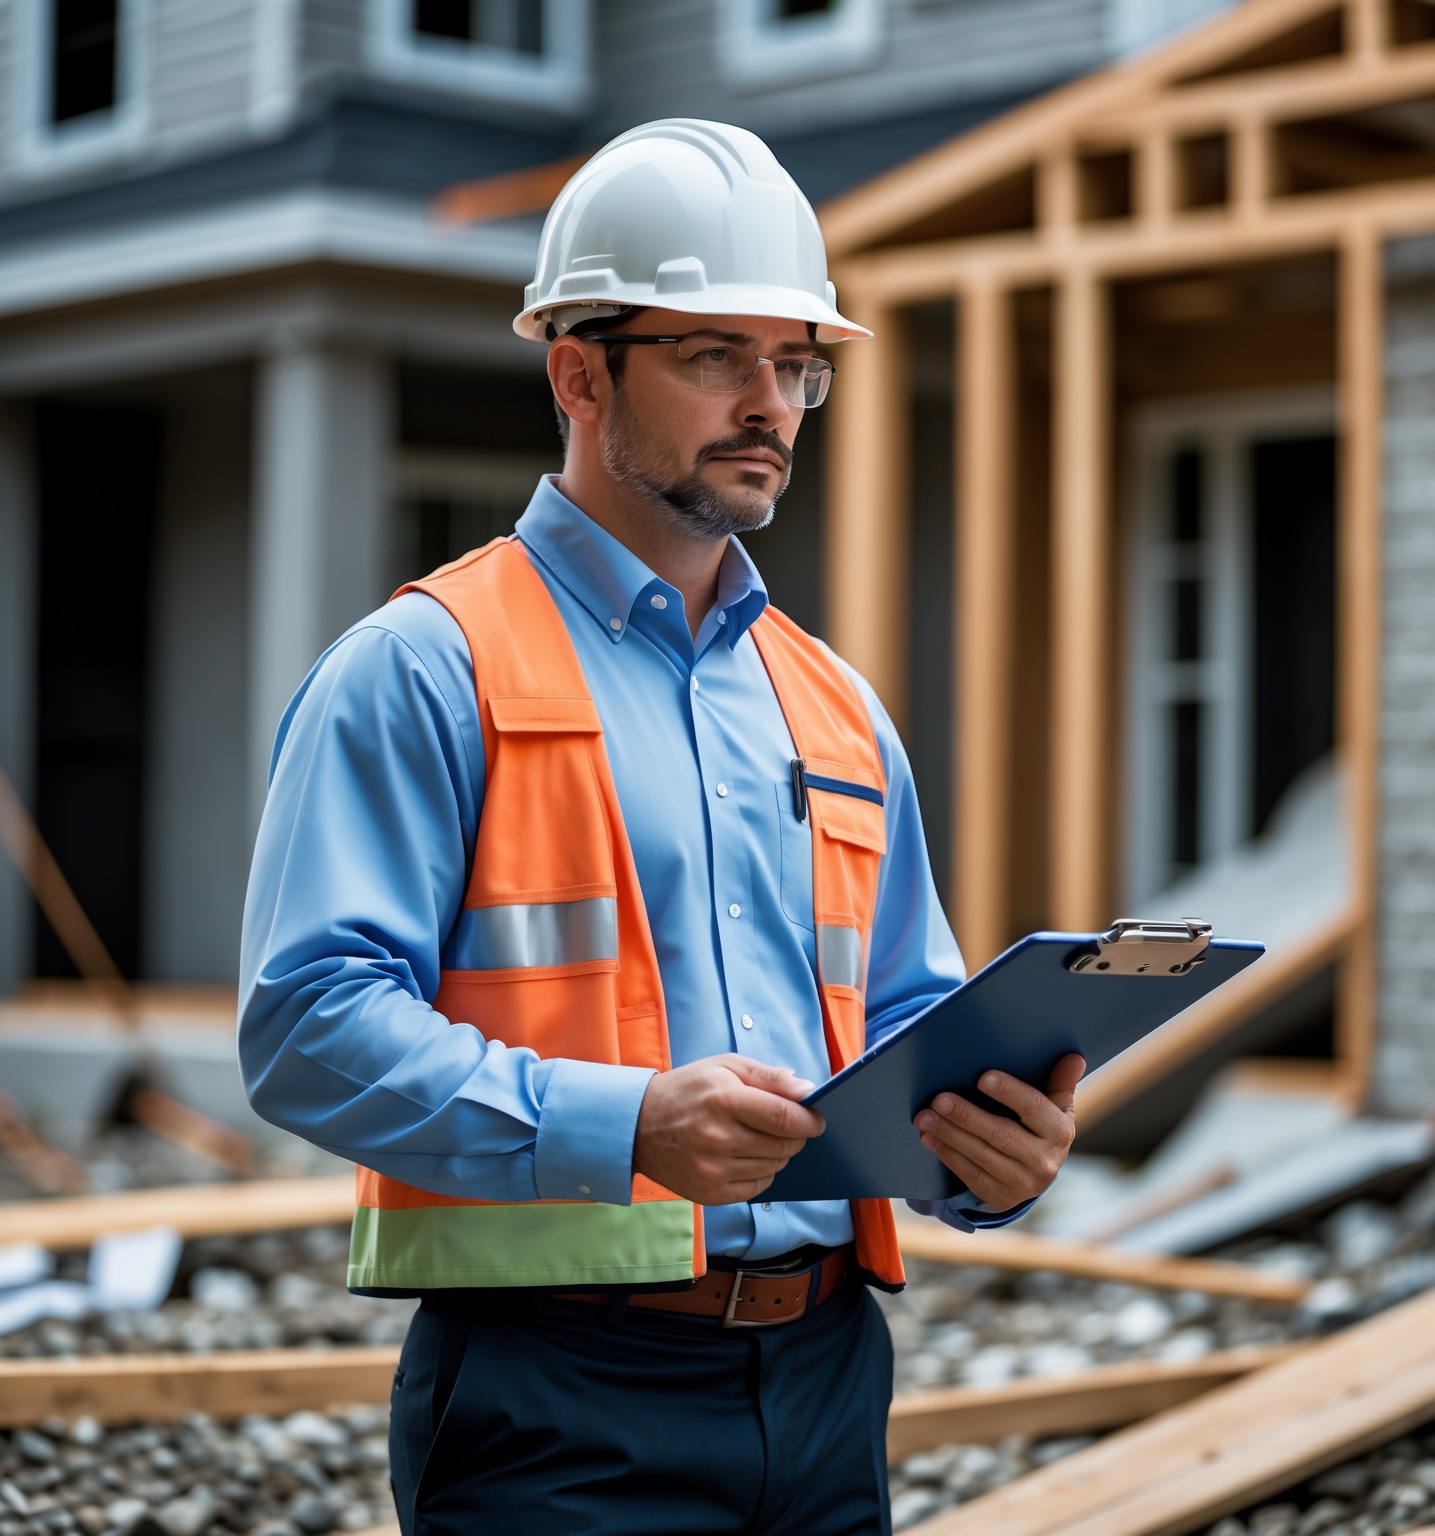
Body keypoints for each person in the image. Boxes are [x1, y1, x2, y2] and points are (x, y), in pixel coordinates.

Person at [238, 118, 1084, 1536]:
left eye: (797, 364)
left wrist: (991, 1151)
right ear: (578, 371)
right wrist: (630, 1125)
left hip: (827, 1381)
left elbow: (910, 1021)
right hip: (552, 1396)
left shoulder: (835, 707)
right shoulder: (424, 668)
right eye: (717, 356)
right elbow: (305, 1028)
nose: (773, 402)